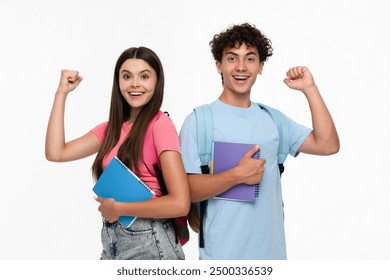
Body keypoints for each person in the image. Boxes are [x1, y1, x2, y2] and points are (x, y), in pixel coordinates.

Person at [179, 23, 340, 260]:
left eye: (250, 59)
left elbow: (328, 144)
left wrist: (310, 89)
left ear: (261, 66)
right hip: (221, 259)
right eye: (232, 58)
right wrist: (237, 175)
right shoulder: (198, 121)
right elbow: (186, 193)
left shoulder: (274, 121)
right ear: (218, 66)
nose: (241, 67)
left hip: (271, 258)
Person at [45, 46, 190, 260]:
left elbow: (180, 202)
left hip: (151, 242)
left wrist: (119, 208)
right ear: (118, 82)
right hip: (113, 241)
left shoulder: (160, 125)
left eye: (144, 76)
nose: (135, 84)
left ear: (157, 82)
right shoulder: (110, 129)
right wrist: (61, 93)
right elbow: (56, 152)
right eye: (126, 76)